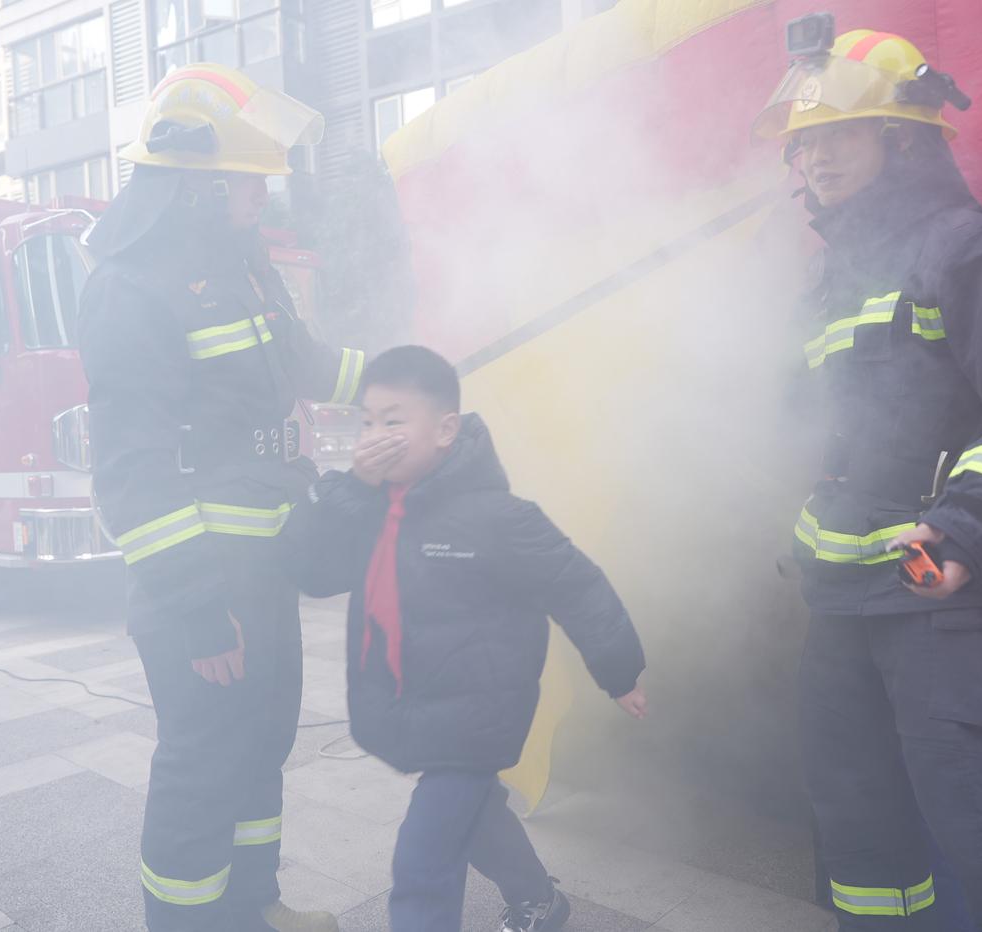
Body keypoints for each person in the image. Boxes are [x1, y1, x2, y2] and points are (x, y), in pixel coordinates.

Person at [752, 22, 982, 931]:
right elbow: (808, 426)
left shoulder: (976, 252)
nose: (816, 156)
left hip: (946, 601)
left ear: (904, 136)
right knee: (859, 842)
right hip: (842, 607)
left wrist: (967, 530)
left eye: (839, 132)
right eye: (805, 140)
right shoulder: (827, 282)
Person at [78, 63, 366, 932]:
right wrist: (199, 611)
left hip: (266, 562)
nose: (263, 194)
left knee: (262, 745)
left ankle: (253, 906)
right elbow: (133, 471)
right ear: (196, 183)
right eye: (249, 178)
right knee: (203, 768)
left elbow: (302, 362)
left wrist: (403, 380)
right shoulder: (128, 287)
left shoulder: (242, 264)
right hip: (203, 584)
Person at [276, 346, 648, 932]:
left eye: (394, 421)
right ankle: (538, 899)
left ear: (446, 429)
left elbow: (577, 585)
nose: (376, 437)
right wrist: (350, 489)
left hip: (480, 713)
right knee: (474, 815)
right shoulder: (373, 509)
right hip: (418, 707)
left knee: (423, 860)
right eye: (367, 422)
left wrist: (619, 670)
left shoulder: (497, 516)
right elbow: (311, 571)